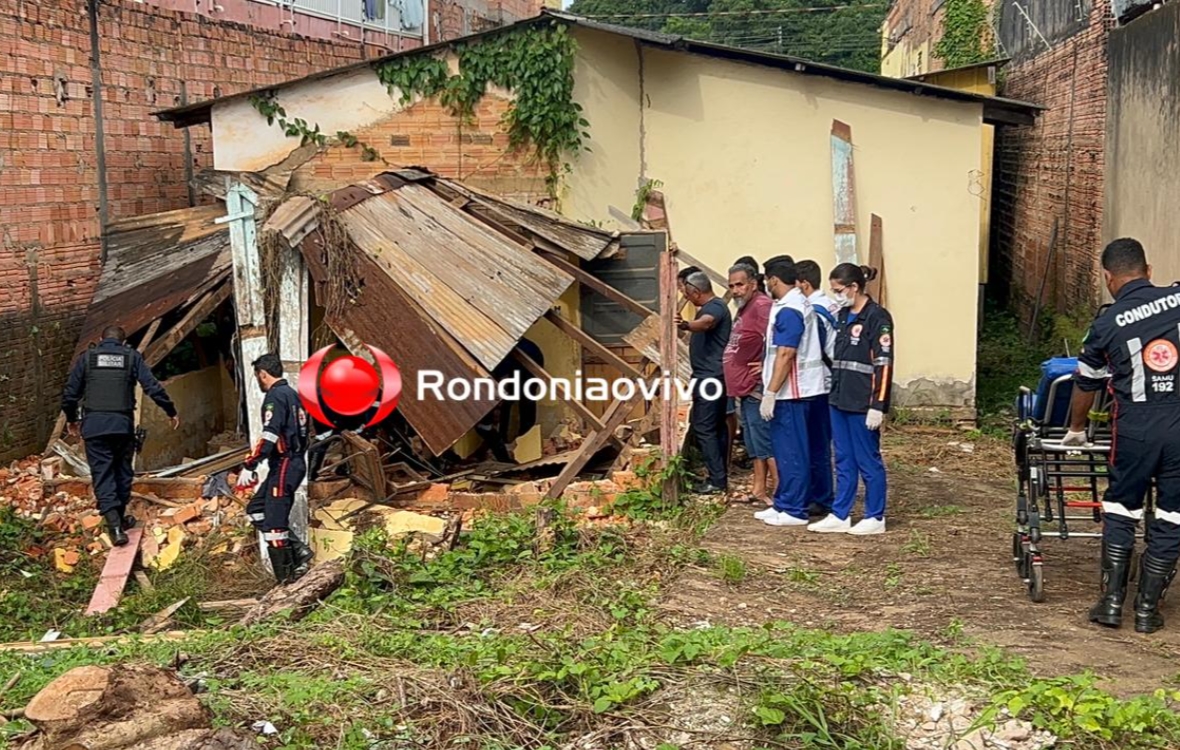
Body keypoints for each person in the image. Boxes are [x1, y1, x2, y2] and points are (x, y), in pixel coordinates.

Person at [1069, 238, 1180, 633]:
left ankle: (1112, 603)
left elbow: (1087, 382)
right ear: (1149, 270)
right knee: (1173, 514)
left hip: (1133, 427)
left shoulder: (1105, 324)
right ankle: (1148, 611)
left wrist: (1076, 429)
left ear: (1107, 278)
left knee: (1121, 507)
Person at [61, 325, 180, 547]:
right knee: (122, 472)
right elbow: (152, 386)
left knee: (103, 474)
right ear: (123, 343)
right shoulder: (130, 357)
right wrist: (170, 410)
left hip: (94, 427)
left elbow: (70, 394)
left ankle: (115, 525)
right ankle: (119, 520)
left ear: (100, 338)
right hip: (121, 426)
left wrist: (71, 419)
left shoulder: (88, 358)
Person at [756, 261, 827, 526]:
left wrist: (771, 392)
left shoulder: (790, 309)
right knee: (791, 449)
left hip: (792, 391)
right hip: (797, 389)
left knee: (791, 451)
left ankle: (794, 509)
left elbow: (786, 353)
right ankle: (785, 502)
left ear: (774, 280)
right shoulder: (794, 304)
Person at [823, 263, 892, 535]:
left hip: (863, 402)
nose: (836, 295)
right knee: (843, 459)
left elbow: (884, 364)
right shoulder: (842, 316)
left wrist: (878, 405)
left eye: (839, 290)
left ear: (854, 287)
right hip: (839, 398)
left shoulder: (877, 317)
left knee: (867, 459)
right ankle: (841, 513)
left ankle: (875, 516)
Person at [237, 353, 314, 583]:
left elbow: (270, 434)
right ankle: (298, 550)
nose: (258, 382)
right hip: (291, 463)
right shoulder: (292, 394)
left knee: (274, 526)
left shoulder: (275, 397)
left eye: (258, 377)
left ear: (263, 374)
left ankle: (286, 582)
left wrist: (250, 463)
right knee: (256, 509)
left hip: (285, 463)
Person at [723, 261, 777, 504]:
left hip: (755, 387)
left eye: (740, 285)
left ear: (753, 284)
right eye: (731, 286)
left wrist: (767, 364)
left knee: (765, 441)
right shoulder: (744, 308)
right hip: (742, 388)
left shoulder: (762, 306)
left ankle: (782, 493)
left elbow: (779, 337)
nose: (735, 290)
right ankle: (758, 489)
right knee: (753, 442)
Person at [677, 271, 732, 494]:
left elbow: (706, 324)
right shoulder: (711, 307)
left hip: (710, 378)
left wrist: (686, 325)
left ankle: (717, 480)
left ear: (695, 290)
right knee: (715, 427)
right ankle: (718, 476)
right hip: (709, 376)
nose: (684, 295)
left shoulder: (715, 308)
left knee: (704, 427)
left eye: (684, 290)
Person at [796, 259, 838, 523]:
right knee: (820, 442)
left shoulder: (816, 311)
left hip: (819, 383)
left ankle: (821, 497)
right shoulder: (830, 305)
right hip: (828, 380)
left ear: (804, 284)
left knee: (817, 444)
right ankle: (821, 495)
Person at [475, 339, 545, 463]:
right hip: (523, 372)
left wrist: (498, 400)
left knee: (520, 408)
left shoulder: (499, 353)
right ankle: (508, 450)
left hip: (525, 372)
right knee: (517, 409)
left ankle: (513, 450)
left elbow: (504, 380)